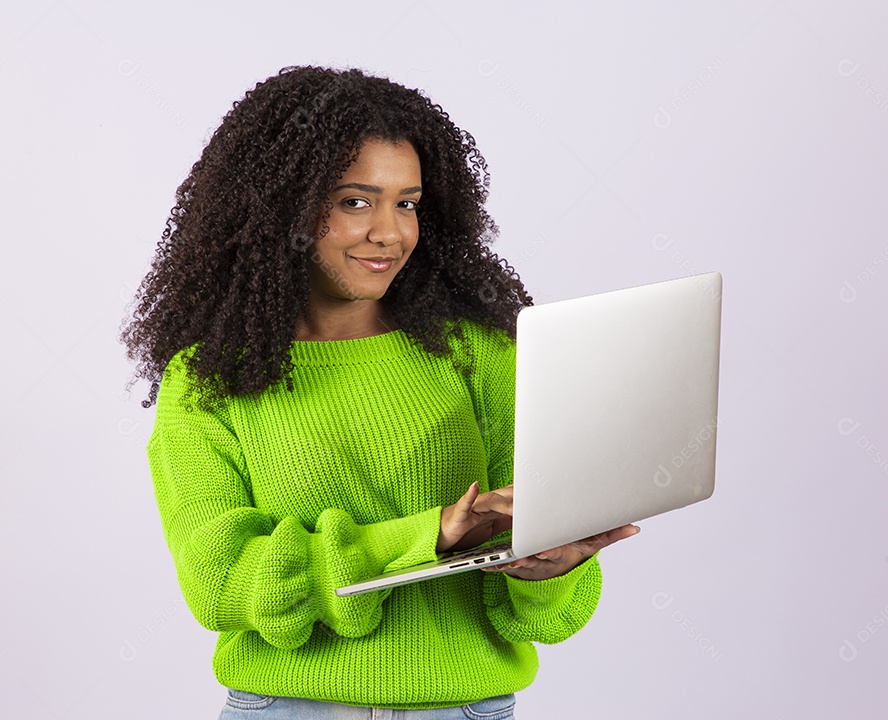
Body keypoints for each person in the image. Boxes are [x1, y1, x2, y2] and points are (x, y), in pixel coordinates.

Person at [121, 65, 638, 719]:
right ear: (282, 207)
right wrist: (434, 535)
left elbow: (544, 612)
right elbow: (219, 580)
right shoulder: (210, 381)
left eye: (407, 203)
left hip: (468, 707)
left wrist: (551, 564)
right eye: (354, 201)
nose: (390, 233)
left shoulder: (479, 354)